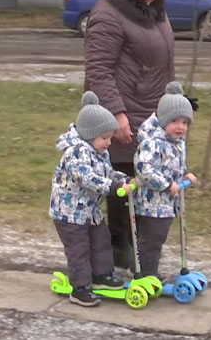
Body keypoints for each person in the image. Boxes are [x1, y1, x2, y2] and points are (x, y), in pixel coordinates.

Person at [84, 0, 178, 270]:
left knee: (146, 186)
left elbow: (162, 62)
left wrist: (174, 102)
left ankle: (138, 254)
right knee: (123, 188)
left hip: (151, 114)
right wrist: (117, 113)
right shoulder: (108, 14)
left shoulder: (154, 11)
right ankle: (117, 253)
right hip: (123, 115)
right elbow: (98, 70)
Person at [49, 91, 133, 306]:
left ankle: (102, 275)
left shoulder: (99, 151)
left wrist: (124, 179)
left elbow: (106, 172)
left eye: (110, 138)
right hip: (69, 214)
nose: (108, 143)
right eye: (104, 138)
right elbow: (87, 179)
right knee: (79, 249)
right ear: (89, 134)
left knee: (101, 241)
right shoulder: (75, 153)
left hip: (90, 212)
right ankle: (80, 287)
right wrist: (113, 187)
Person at [133, 82, 198, 280]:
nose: (181, 127)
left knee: (158, 238)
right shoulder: (153, 143)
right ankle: (146, 273)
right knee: (151, 240)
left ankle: (148, 269)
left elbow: (173, 165)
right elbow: (145, 169)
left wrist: (184, 175)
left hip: (167, 203)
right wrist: (167, 185)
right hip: (151, 203)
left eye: (185, 123)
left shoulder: (176, 142)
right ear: (163, 120)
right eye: (175, 121)